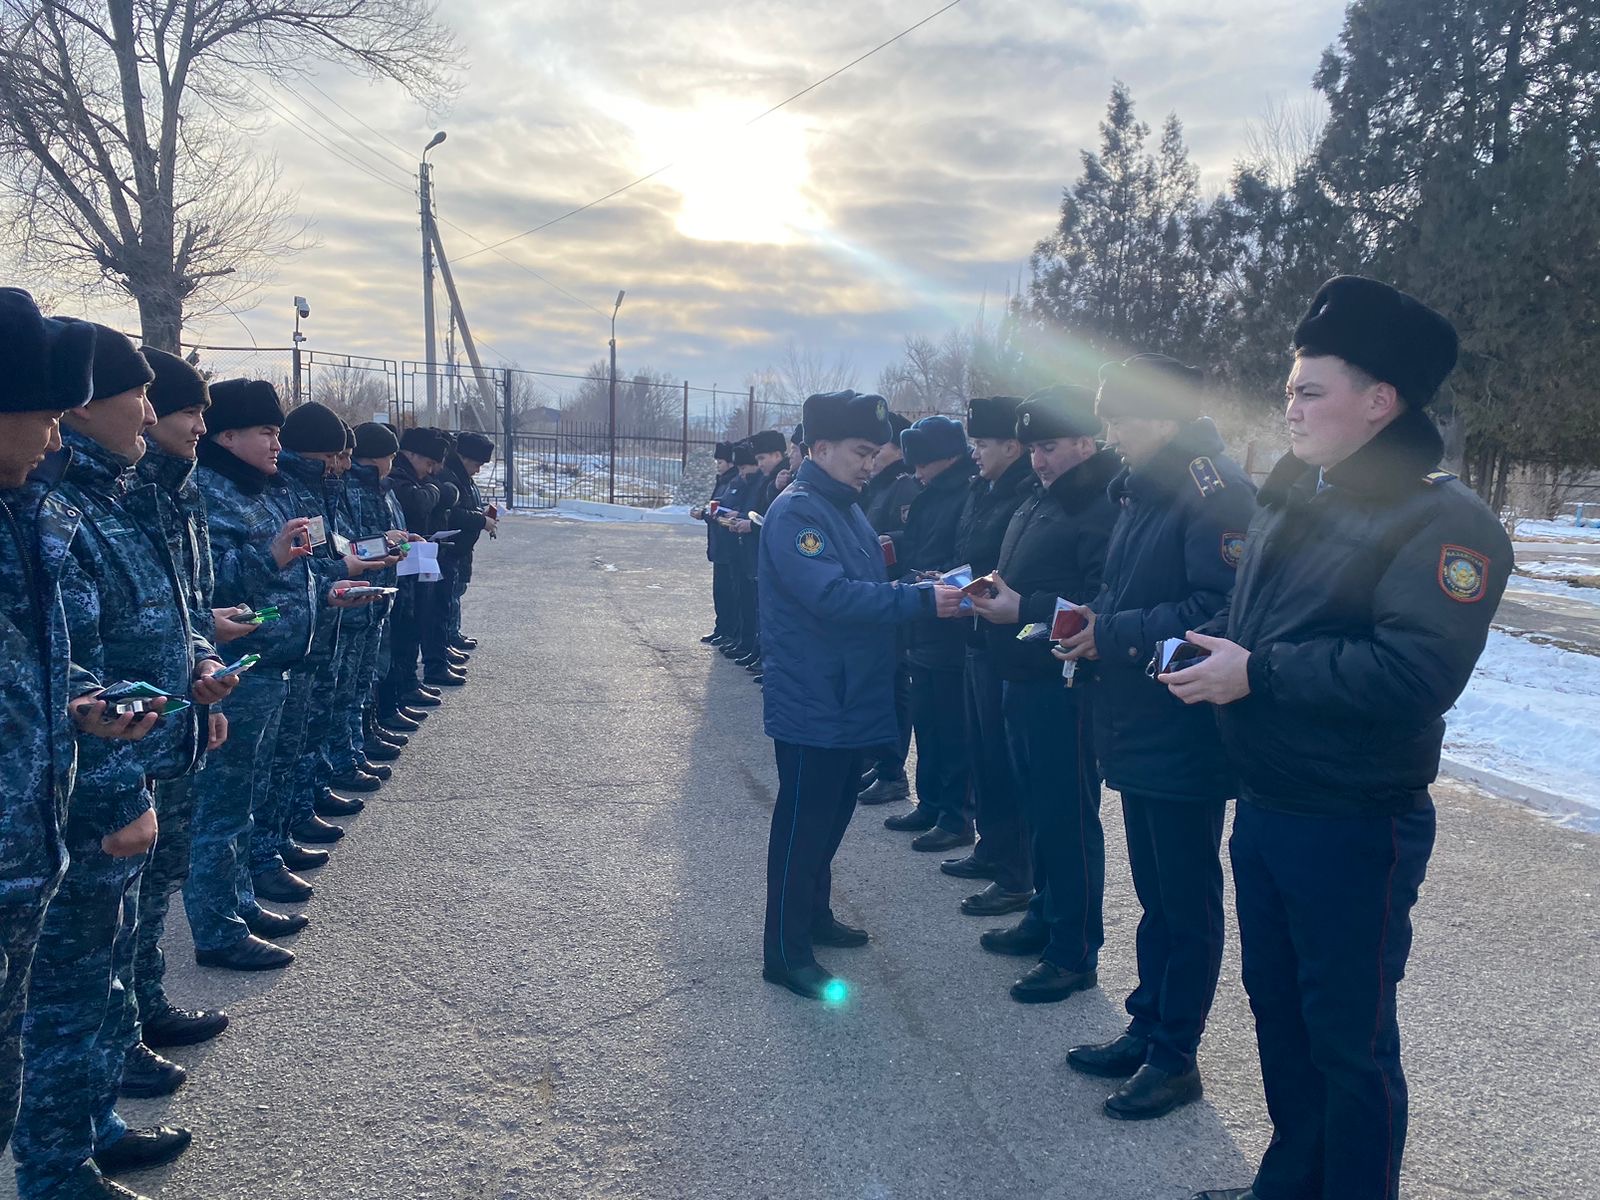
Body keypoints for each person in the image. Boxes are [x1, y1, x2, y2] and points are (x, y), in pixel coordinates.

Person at [1173, 278, 1512, 1200]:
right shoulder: (1297, 497)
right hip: (1273, 803)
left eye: (1310, 389)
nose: (1290, 405)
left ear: (1380, 401)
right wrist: (1218, 657)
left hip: (1356, 825)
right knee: (1280, 1019)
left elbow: (1414, 678)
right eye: (1289, 389)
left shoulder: (1446, 522)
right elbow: (1263, 628)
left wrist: (1262, 672)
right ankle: (1290, 1184)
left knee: (1349, 1043)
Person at [16, 324, 238, 1200]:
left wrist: (196, 670)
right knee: (64, 992)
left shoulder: (113, 494)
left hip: (126, 760)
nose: (151, 414)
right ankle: (56, 1165)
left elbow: (167, 606)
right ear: (79, 401)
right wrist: (113, 796)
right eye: (139, 394)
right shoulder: (58, 503)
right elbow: (63, 672)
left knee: (95, 973)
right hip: (78, 793)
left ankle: (88, 1122)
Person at [1053, 354, 1257, 1122]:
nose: (1111, 433)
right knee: (1155, 896)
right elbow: (1133, 588)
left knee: (1185, 898)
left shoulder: (1213, 490)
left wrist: (1119, 635)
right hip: (1139, 719)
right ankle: (1147, 1024)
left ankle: (1176, 1057)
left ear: (1165, 418)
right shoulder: (1147, 488)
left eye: (1123, 418)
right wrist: (1089, 627)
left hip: (1183, 724)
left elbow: (1223, 608)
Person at [758, 390, 964, 1000]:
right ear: (819, 448)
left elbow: (864, 583)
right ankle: (785, 951)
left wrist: (912, 583)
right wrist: (919, 600)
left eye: (874, 453)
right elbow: (831, 597)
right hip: (815, 698)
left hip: (849, 694)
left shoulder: (845, 508)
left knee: (831, 818)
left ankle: (814, 917)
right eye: (858, 451)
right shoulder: (798, 512)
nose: (868, 463)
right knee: (802, 825)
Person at [0, 290, 110, 1166]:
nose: (55, 438)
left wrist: (82, 704)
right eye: (44, 416)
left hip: (24, 863)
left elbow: (38, 662)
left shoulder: (21, 519)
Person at [968, 385, 1119, 1004]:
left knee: (1066, 816)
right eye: (1033, 449)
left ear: (1086, 443)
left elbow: (1098, 607)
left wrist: (1021, 608)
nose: (1039, 460)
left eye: (1051, 447)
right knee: (1038, 808)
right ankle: (1046, 916)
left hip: (1065, 685)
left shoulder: (1101, 507)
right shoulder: (1043, 497)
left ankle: (1073, 950)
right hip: (1023, 676)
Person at [125, 347, 237, 1064]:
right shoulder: (111, 496)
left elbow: (183, 607)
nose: (199, 424)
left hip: (180, 712)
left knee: (158, 877)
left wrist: (204, 661)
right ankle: (121, 1034)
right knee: (114, 905)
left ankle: (143, 1007)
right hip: (122, 735)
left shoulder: (175, 490)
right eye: (189, 410)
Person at [941, 396, 1035, 916]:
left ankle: (1016, 873)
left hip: (1010, 640)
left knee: (1006, 759)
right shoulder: (986, 489)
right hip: (977, 636)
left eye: (981, 444)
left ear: (1011, 446)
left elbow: (1011, 569)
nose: (974, 454)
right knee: (984, 753)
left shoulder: (1024, 493)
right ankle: (992, 849)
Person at [880, 415, 979, 852]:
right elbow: (921, 540)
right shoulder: (930, 493)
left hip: (951, 626)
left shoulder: (966, 494)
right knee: (928, 720)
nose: (916, 472)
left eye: (923, 463)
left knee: (952, 725)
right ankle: (931, 801)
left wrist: (936, 574)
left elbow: (965, 552)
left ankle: (956, 814)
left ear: (947, 458)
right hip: (924, 623)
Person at [856, 409, 917, 806]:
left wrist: (885, 541)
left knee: (897, 688)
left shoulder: (904, 487)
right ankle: (882, 761)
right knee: (882, 683)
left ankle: (894, 770)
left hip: (897, 596)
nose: (872, 457)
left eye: (878, 448)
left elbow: (913, 537)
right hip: (878, 597)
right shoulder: (876, 485)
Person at [691, 442, 739, 646]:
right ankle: (721, 628)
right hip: (719, 545)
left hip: (729, 545)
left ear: (730, 462)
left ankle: (730, 631)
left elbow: (726, 512)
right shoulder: (723, 480)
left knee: (729, 592)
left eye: (720, 461)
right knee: (720, 591)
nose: (717, 465)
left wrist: (707, 514)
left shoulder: (735, 482)